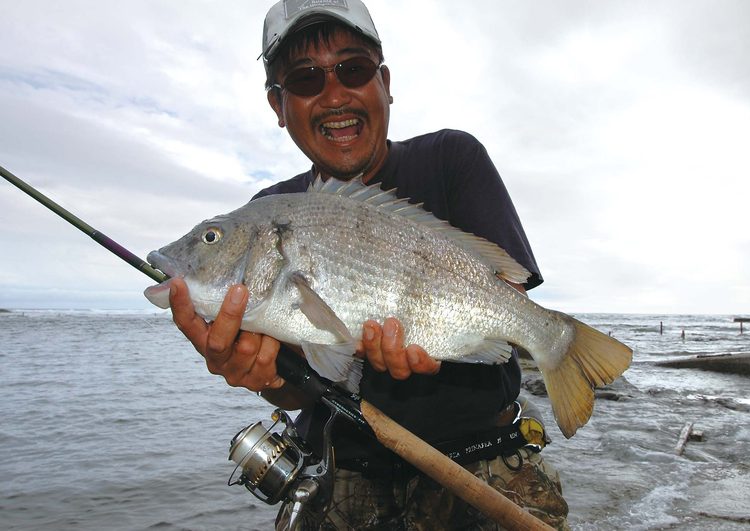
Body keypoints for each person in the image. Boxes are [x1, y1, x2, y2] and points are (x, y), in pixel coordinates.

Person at [168, 1, 569, 529]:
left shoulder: (452, 159)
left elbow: (505, 289)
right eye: (306, 80)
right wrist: (259, 375)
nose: (334, 95)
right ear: (278, 104)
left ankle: (562, 342)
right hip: (346, 475)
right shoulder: (267, 210)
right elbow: (298, 379)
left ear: (384, 82)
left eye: (353, 70)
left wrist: (543, 337)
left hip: (485, 462)